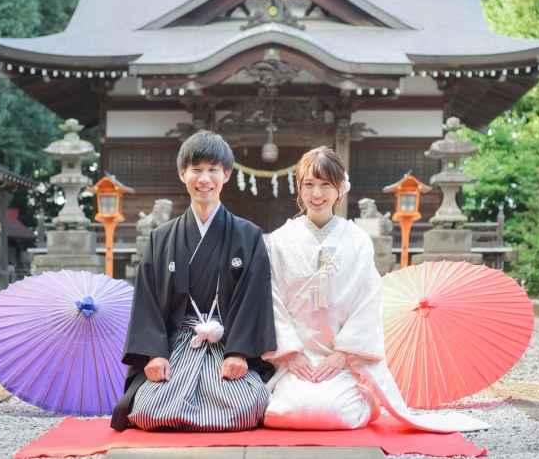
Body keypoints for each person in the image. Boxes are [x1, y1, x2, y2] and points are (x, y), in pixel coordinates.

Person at [262, 147, 489, 432]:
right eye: (309, 184)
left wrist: (343, 354)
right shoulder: (279, 241)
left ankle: (365, 398)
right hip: (295, 359)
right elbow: (269, 300)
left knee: (333, 414)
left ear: (340, 188)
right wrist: (289, 353)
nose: (316, 194)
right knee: (286, 413)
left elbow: (367, 302)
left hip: (338, 360)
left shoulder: (357, 241)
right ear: (299, 187)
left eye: (325, 185)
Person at [111, 130, 276, 432]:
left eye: (213, 170)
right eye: (196, 170)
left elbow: (256, 298)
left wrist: (239, 353)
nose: (204, 179)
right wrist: (155, 353)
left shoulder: (248, 235)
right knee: (148, 409)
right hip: (177, 342)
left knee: (246, 407)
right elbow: (147, 299)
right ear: (182, 173)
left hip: (227, 341)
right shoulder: (161, 238)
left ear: (226, 174)